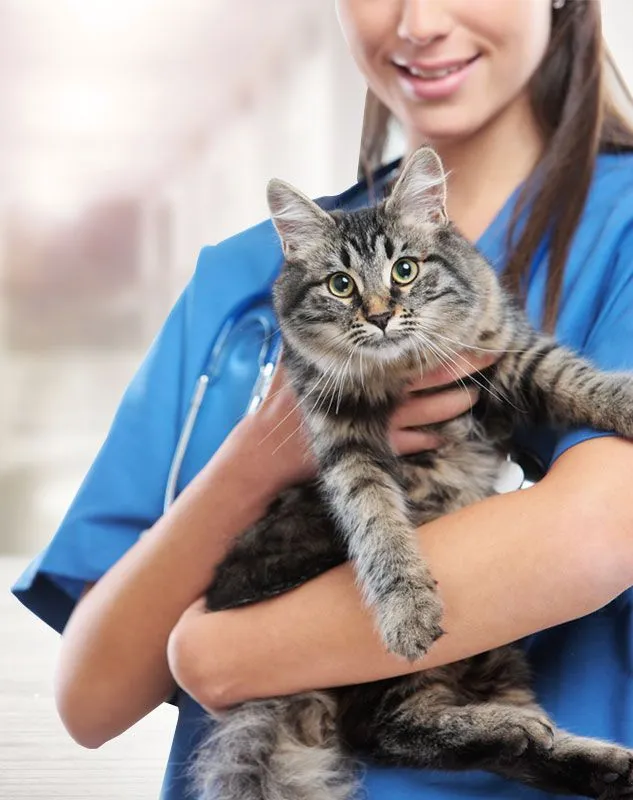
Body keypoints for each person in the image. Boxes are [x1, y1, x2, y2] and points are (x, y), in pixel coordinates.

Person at [12, 1, 633, 798]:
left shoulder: (619, 230)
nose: (418, 23)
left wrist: (216, 652)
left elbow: (595, 533)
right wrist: (253, 464)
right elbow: (92, 698)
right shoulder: (236, 282)